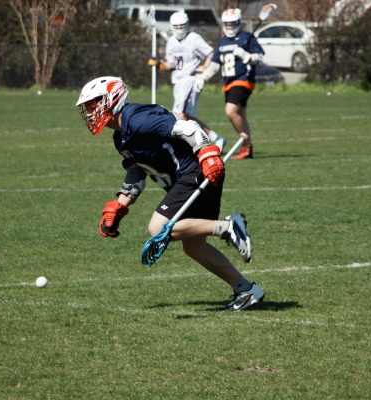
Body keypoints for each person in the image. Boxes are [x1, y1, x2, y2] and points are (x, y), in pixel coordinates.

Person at [75, 76, 265, 311]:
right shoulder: (120, 137)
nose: (91, 111)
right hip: (188, 177)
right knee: (194, 246)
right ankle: (247, 290)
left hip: (196, 171)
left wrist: (207, 154)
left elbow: (188, 127)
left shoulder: (137, 119)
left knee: (157, 229)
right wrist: (119, 206)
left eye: (95, 103)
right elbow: (137, 172)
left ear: (112, 98)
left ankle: (227, 228)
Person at [148, 11, 226, 152]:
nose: (179, 29)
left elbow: (210, 53)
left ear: (187, 25)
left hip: (190, 80)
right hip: (177, 82)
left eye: (182, 26)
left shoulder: (194, 38)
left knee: (179, 114)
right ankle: (215, 138)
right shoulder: (171, 41)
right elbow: (171, 64)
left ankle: (190, 146)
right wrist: (159, 64)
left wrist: (204, 69)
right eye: (176, 26)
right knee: (185, 116)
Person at [194, 8, 265, 160]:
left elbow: (259, 58)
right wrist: (202, 78)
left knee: (231, 111)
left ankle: (245, 144)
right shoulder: (222, 42)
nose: (230, 27)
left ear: (239, 23)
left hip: (243, 80)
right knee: (241, 115)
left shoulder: (247, 38)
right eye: (228, 24)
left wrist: (247, 56)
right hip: (228, 84)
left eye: (233, 24)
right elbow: (214, 65)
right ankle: (248, 148)